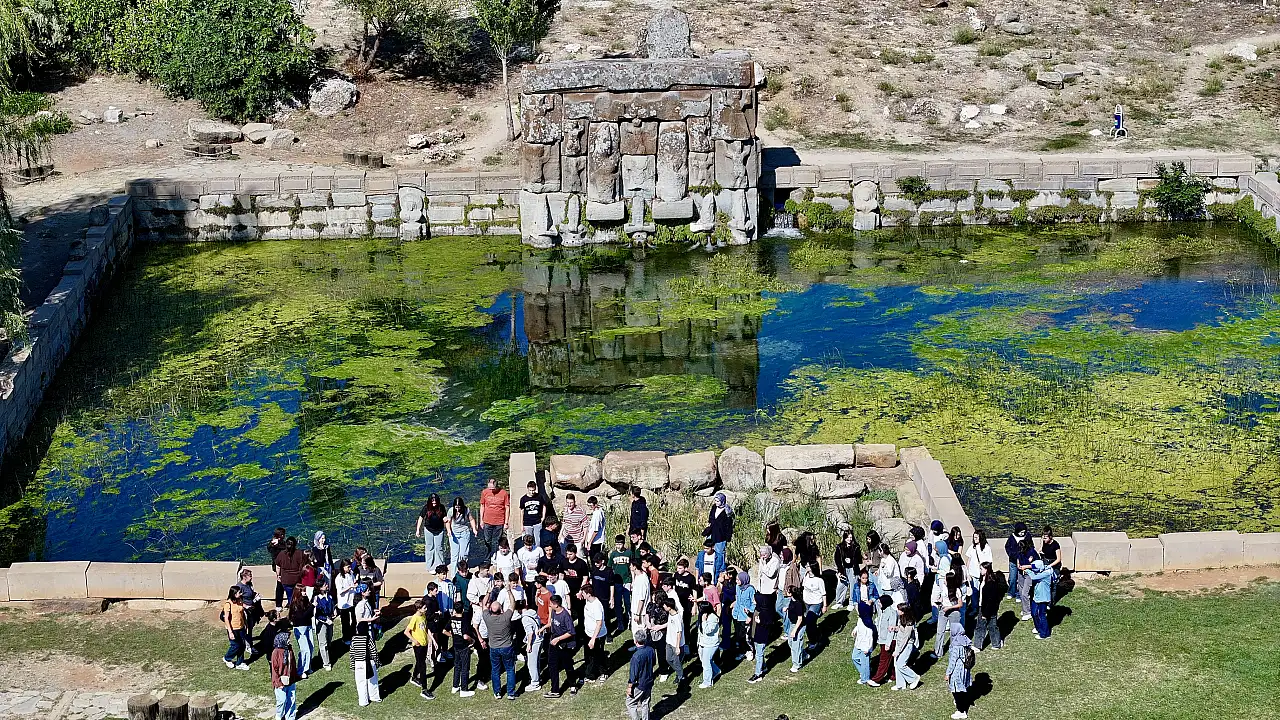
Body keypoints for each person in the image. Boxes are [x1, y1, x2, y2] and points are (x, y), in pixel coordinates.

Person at [482, 581, 518, 700]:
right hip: (507, 647)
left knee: (495, 670)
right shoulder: (506, 617)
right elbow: (513, 604)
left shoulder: (487, 618)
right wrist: (508, 590)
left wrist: (488, 592)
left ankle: (497, 692)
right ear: (501, 609)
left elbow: (483, 604)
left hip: (494, 648)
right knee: (510, 669)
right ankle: (511, 693)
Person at [544, 595, 579, 698]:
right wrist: (544, 628)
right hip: (553, 643)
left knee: (568, 666)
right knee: (552, 666)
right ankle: (555, 690)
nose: (549, 605)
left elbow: (571, 632)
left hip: (564, 645)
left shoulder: (565, 616)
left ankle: (573, 685)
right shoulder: (554, 612)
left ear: (556, 604)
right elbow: (552, 623)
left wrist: (558, 639)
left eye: (551, 603)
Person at [446, 604, 477, 697]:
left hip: (456, 645)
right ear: (463, 610)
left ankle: (455, 686)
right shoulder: (464, 620)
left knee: (457, 666)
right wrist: (472, 641)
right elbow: (465, 636)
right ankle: (464, 689)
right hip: (464, 646)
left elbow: (444, 631)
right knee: (465, 668)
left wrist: (453, 636)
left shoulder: (452, 619)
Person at [350, 615, 381, 706]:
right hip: (369, 662)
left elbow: (352, 654)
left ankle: (363, 702)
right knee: (373, 680)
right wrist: (378, 662)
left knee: (360, 683)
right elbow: (374, 652)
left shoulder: (354, 639)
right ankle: (374, 697)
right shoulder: (368, 638)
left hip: (358, 663)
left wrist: (352, 666)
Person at [945, 622, 974, 719]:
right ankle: (961, 703)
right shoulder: (965, 639)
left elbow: (953, 661)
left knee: (956, 690)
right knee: (962, 687)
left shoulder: (956, 644)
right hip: (965, 669)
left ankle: (961, 710)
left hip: (957, 670)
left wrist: (948, 673)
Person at [974, 562, 1005, 651]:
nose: (980, 571)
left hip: (987, 608)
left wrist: (985, 613)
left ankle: (979, 645)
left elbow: (991, 599)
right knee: (989, 626)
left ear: (986, 570)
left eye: (981, 569)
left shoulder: (991, 583)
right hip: (984, 607)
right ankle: (996, 643)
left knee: (985, 626)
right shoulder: (984, 579)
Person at [626, 630, 657, 720]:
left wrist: (629, 687)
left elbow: (633, 675)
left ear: (635, 641)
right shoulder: (651, 650)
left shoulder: (636, 657)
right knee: (645, 702)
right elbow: (654, 663)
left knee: (630, 703)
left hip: (640, 684)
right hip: (649, 681)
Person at [868, 595, 897, 687]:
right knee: (889, 659)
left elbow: (891, 630)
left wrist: (888, 644)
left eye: (880, 602)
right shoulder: (882, 611)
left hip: (889, 641)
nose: (878, 604)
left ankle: (877, 679)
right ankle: (892, 676)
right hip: (882, 640)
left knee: (883, 660)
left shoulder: (892, 613)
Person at [580, 583, 608, 682]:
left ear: (588, 594)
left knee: (599, 655)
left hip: (597, 635)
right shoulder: (588, 601)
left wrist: (593, 639)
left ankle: (603, 672)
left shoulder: (596, 605)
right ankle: (591, 674)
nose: (581, 594)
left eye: (583, 593)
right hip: (588, 633)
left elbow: (599, 623)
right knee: (589, 655)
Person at [478, 478, 510, 561]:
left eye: (493, 488)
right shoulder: (484, 492)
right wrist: (481, 520)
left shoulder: (504, 493)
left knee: (497, 541)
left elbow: (507, 507)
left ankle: (496, 557)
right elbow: (482, 506)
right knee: (487, 540)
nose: (491, 490)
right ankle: (487, 558)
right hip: (487, 521)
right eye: (490, 488)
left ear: (497, 485)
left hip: (499, 521)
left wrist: (506, 522)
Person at [270, 626, 297, 720]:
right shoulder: (276, 653)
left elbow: (292, 664)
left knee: (291, 699)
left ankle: (290, 717)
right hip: (280, 681)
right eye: (288, 638)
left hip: (291, 679)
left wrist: (295, 676)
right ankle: (279, 716)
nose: (290, 640)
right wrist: (278, 683)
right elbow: (274, 669)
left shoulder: (289, 650)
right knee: (282, 700)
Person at [891, 606, 921, 691]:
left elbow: (905, 638)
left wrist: (898, 651)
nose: (898, 611)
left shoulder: (909, 623)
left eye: (899, 609)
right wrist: (895, 628)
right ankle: (900, 684)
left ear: (904, 612)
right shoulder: (902, 619)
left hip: (906, 645)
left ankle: (914, 678)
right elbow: (901, 629)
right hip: (900, 643)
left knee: (901, 664)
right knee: (897, 664)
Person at [609, 535, 633, 635]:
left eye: (620, 544)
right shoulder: (613, 554)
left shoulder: (629, 553)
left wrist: (632, 581)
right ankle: (620, 623)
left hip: (626, 580)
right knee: (618, 603)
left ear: (624, 543)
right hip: (617, 582)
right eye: (617, 544)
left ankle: (630, 620)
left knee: (627, 602)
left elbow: (632, 567)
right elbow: (610, 567)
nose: (618, 546)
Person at [416, 494, 447, 571]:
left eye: (435, 501)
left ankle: (440, 565)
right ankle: (430, 566)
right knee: (430, 547)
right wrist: (418, 529)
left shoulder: (441, 507)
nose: (434, 503)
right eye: (432, 501)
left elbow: (444, 517)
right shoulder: (426, 507)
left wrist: (446, 521)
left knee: (439, 548)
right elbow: (421, 518)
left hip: (439, 530)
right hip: (429, 530)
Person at [287, 590, 314, 679]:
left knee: (311, 647)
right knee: (305, 649)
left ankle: (308, 666)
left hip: (308, 626)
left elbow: (310, 614)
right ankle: (301, 670)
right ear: (298, 592)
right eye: (303, 591)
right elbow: (302, 616)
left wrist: (311, 608)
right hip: (300, 628)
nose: (305, 592)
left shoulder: (305, 600)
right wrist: (312, 606)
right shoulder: (295, 604)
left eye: (305, 591)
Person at [832, 531, 863, 610]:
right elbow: (837, 559)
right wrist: (839, 570)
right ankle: (839, 602)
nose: (849, 539)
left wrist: (852, 562)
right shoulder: (839, 547)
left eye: (851, 537)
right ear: (845, 538)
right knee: (841, 586)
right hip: (843, 569)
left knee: (853, 586)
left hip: (853, 569)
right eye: (848, 537)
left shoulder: (856, 547)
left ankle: (852, 602)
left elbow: (859, 559)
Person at [965, 530, 993, 617]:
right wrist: (967, 572)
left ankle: (982, 607)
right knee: (974, 592)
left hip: (982, 574)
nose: (974, 539)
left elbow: (989, 562)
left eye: (976, 537)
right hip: (973, 573)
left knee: (982, 592)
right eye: (974, 537)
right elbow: (968, 560)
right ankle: (975, 608)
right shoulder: (972, 547)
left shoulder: (986, 548)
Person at [658, 596, 685, 684]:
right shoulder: (670, 614)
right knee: (668, 659)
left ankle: (680, 676)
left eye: (665, 605)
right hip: (669, 641)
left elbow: (679, 632)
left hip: (676, 644)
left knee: (676, 661)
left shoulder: (677, 618)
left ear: (669, 607)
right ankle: (679, 672)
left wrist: (677, 647)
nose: (663, 606)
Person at [222, 587, 251, 670]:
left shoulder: (240, 601)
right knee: (235, 645)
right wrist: (230, 632)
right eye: (239, 592)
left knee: (242, 645)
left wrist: (246, 624)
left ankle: (240, 663)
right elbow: (226, 619)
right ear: (234, 594)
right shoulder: (228, 604)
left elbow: (242, 614)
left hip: (241, 627)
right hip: (233, 628)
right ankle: (227, 658)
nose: (241, 594)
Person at [275, 537, 310, 605]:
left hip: (286, 580)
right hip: (297, 579)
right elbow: (303, 565)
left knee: (290, 596)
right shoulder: (299, 553)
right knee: (299, 596)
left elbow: (278, 567)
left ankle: (292, 608)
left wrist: (278, 575)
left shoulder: (281, 554)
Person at [447, 497, 476, 575]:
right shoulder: (451, 511)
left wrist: (474, 529)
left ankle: (463, 570)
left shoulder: (466, 510)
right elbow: (448, 522)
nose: (457, 509)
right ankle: (453, 574)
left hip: (464, 532)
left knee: (463, 554)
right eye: (456, 507)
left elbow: (471, 520)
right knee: (454, 554)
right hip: (454, 533)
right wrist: (449, 531)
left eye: (459, 507)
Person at [519, 597, 543, 691]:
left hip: (534, 641)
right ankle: (537, 677)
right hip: (540, 638)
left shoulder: (525, 618)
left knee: (531, 663)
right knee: (537, 661)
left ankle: (535, 683)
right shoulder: (532, 612)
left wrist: (529, 645)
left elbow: (530, 633)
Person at [786, 587, 812, 673]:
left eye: (788, 591)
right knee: (790, 642)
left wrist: (794, 631)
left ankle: (797, 664)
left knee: (796, 645)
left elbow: (800, 619)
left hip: (799, 625)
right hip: (793, 624)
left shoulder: (798, 604)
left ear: (791, 593)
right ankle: (804, 655)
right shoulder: (792, 600)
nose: (786, 592)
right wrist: (787, 608)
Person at [730, 571, 756, 660]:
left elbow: (754, 603)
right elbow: (737, 599)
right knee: (738, 635)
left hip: (745, 616)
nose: (736, 581)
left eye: (738, 579)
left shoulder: (750, 589)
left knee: (746, 635)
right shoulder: (737, 587)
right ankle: (742, 651)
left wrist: (750, 614)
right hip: (737, 615)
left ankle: (750, 651)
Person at [706, 492, 734, 571]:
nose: (716, 502)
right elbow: (711, 517)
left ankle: (720, 568)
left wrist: (728, 536)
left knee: (720, 551)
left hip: (721, 535)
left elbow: (729, 525)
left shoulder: (727, 511)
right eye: (715, 500)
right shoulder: (714, 507)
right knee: (708, 547)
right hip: (712, 531)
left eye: (718, 501)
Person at [696, 600, 720, 688]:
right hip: (702, 642)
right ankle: (716, 671)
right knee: (705, 661)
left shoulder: (712, 618)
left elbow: (707, 631)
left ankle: (707, 682)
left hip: (710, 644)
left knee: (706, 664)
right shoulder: (703, 616)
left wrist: (704, 621)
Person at [1028, 559, 1055, 638]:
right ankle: (1038, 628)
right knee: (1034, 613)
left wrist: (1027, 570)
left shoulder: (1045, 574)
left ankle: (1044, 634)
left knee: (1041, 615)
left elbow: (1033, 577)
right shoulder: (1040, 570)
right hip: (1036, 596)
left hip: (1043, 598)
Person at [850, 600, 876, 684]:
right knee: (854, 657)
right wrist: (855, 630)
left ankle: (865, 678)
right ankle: (864, 672)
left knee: (865, 662)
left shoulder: (868, 624)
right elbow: (858, 626)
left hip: (865, 646)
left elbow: (870, 638)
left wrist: (868, 648)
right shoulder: (861, 619)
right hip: (858, 643)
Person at [1016, 536, 1041, 621]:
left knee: (1024, 593)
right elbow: (1018, 558)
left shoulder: (1032, 552)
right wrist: (1018, 564)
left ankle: (1028, 612)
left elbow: (1038, 565)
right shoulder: (1019, 551)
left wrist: (1027, 566)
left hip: (1030, 573)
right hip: (1021, 572)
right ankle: (1024, 608)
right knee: (1020, 590)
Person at [313, 578, 335, 672]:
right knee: (323, 643)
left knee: (329, 639)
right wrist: (326, 620)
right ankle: (326, 663)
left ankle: (327, 655)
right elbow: (317, 614)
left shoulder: (329, 596)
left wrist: (334, 611)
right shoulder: (316, 598)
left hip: (330, 620)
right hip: (321, 623)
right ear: (320, 588)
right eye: (325, 585)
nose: (327, 585)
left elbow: (332, 605)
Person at [747, 605, 773, 683]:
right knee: (758, 653)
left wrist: (760, 622)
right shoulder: (757, 609)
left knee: (759, 654)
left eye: (755, 600)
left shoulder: (765, 611)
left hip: (761, 637)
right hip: (755, 635)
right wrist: (748, 613)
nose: (753, 601)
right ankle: (764, 667)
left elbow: (769, 623)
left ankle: (758, 674)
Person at [754, 545, 781, 618]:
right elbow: (760, 572)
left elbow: (770, 574)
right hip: (761, 588)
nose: (763, 556)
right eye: (761, 555)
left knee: (769, 608)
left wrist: (764, 564)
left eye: (765, 554)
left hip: (769, 589)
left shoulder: (775, 560)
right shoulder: (762, 560)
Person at [334, 560, 357, 642]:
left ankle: (353, 634)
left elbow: (353, 582)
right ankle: (346, 637)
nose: (350, 568)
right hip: (343, 603)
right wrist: (350, 587)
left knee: (354, 619)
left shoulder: (351, 574)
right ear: (343, 567)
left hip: (352, 600)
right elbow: (340, 591)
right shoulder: (339, 577)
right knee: (345, 622)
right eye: (348, 567)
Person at [1005, 522, 1028, 602]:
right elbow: (1007, 547)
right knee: (1012, 578)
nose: (1022, 534)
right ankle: (1011, 592)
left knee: (1021, 578)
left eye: (1023, 532)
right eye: (1021, 532)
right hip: (1013, 561)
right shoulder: (1012, 537)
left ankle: (1019, 594)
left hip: (1023, 562)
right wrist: (1012, 555)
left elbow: (1031, 546)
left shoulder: (1027, 536)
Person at [1041, 525, 1063, 604]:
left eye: (1045, 538)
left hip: (1054, 564)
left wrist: (1050, 566)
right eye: (1043, 537)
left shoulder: (1056, 545)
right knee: (1046, 583)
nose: (1044, 539)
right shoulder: (1044, 542)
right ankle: (1046, 600)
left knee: (1053, 584)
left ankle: (1051, 603)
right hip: (1046, 561)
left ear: (1050, 537)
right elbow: (1042, 549)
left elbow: (1058, 559)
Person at [630, 557, 651, 636]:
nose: (630, 567)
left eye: (631, 565)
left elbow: (641, 599)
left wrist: (638, 614)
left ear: (635, 566)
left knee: (640, 632)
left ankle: (641, 647)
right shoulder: (638, 576)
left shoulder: (642, 580)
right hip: (636, 610)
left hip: (640, 612)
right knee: (635, 631)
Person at [267, 528, 287, 608]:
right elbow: (286, 548)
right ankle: (279, 604)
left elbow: (269, 548)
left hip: (276, 565)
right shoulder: (280, 544)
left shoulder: (271, 543)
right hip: (282, 566)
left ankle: (278, 604)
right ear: (281, 535)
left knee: (280, 585)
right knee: (281, 586)